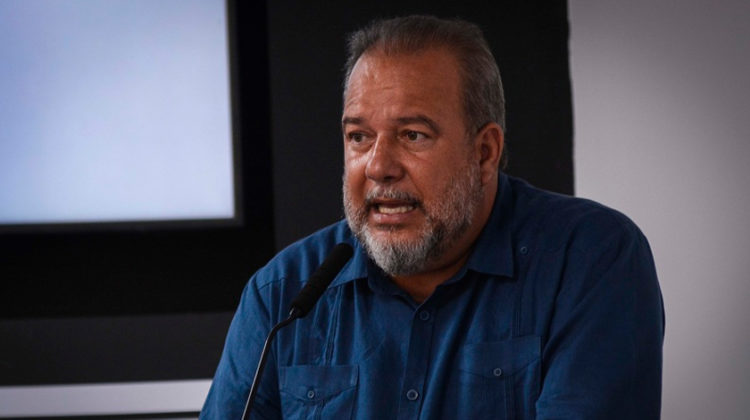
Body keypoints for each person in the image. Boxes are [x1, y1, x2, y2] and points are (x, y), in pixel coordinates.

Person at [201, 15, 664, 419]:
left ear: (484, 152)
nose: (378, 167)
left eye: (413, 135)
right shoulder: (281, 295)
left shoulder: (590, 261)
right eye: (359, 137)